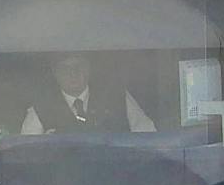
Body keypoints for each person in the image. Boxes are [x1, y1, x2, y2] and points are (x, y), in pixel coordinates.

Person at [21, 54, 154, 134]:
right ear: (55, 73)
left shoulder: (117, 97)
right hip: (62, 179)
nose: (73, 73)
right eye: (65, 68)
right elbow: (24, 153)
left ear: (88, 68)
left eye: (78, 66)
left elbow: (149, 136)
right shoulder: (41, 108)